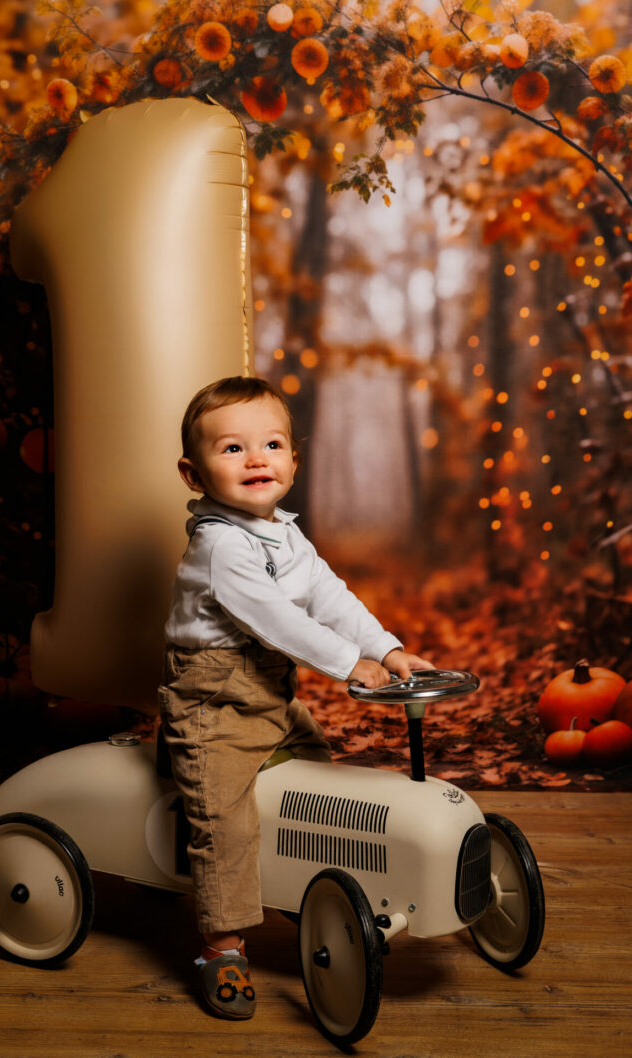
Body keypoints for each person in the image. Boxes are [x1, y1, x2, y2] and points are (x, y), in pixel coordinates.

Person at [160, 375, 433, 1021]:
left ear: (292, 460)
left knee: (314, 771)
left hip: (267, 696)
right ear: (192, 473)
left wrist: (388, 649)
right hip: (214, 702)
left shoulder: (283, 534)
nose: (255, 459)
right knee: (221, 816)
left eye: (271, 443)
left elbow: (331, 598)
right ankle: (221, 946)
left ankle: (297, 878)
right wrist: (348, 665)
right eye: (231, 448)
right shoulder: (220, 543)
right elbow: (273, 621)